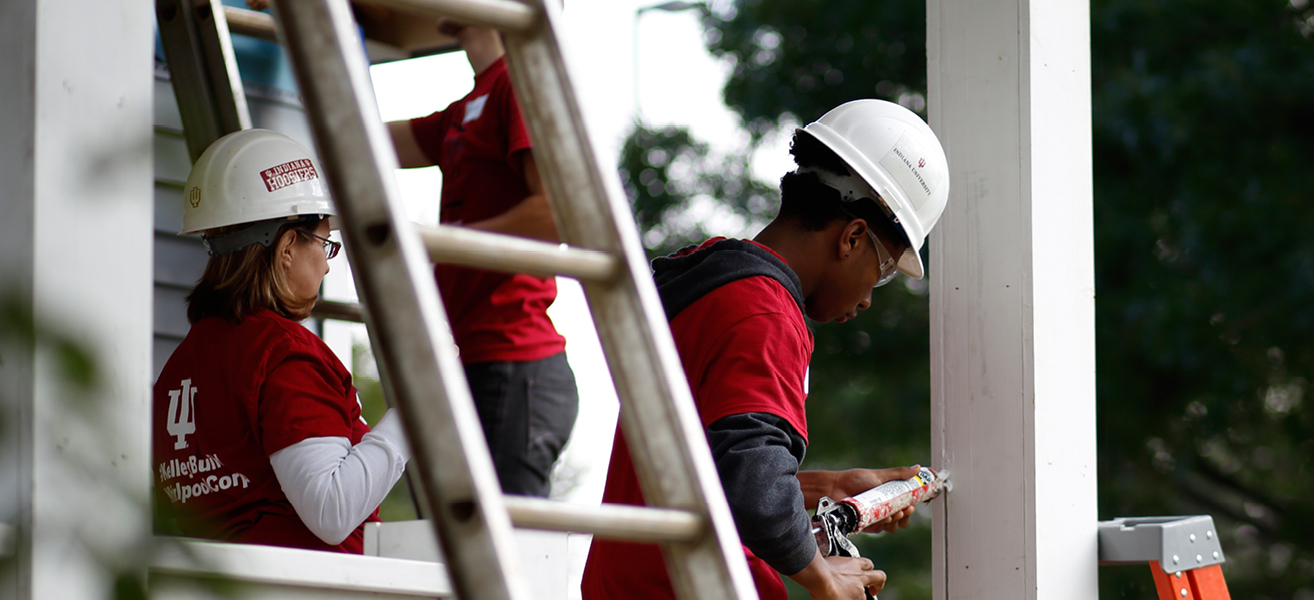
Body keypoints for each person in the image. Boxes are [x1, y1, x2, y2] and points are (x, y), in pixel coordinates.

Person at [582, 99, 951, 600]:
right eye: (883, 272)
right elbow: (755, 488)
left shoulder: (712, 287)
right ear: (853, 237)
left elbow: (712, 474)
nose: (867, 298)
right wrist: (824, 578)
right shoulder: (768, 314)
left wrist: (830, 489)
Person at [153, 129, 410, 553]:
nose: (327, 268)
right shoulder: (283, 353)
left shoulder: (184, 362)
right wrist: (414, 415)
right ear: (288, 245)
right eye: (326, 244)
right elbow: (332, 510)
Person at [386, 20, 577, 497]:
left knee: (505, 558)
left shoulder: (520, 83)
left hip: (513, 364)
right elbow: (362, 140)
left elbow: (557, 212)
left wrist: (443, 242)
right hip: (475, 359)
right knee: (460, 557)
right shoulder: (473, 101)